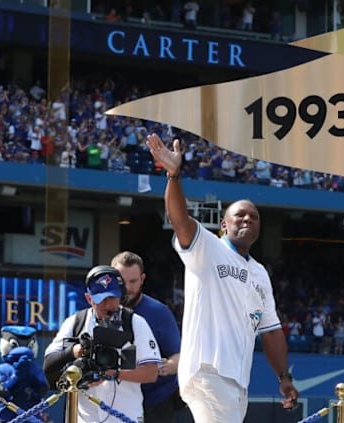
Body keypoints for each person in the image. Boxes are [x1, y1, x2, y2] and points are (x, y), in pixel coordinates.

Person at [146, 133, 298, 422]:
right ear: (224, 224)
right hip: (208, 371)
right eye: (240, 215)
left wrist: (283, 376)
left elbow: (272, 331)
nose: (247, 220)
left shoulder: (259, 273)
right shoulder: (209, 248)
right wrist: (174, 176)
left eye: (253, 218)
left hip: (236, 380)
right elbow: (180, 220)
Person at [43, 265, 161, 423]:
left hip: (126, 416)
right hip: (85, 418)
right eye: (101, 299)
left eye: (112, 297)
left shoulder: (135, 323)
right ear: (89, 298)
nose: (108, 304)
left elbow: (151, 373)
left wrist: (112, 373)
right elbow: (49, 363)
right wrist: (75, 352)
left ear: (120, 296)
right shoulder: (76, 323)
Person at [110, 251, 185, 423]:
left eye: (133, 281)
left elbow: (179, 355)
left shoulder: (159, 313)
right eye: (122, 281)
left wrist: (169, 366)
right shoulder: (100, 308)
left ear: (142, 279)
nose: (127, 288)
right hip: (112, 399)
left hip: (154, 403)